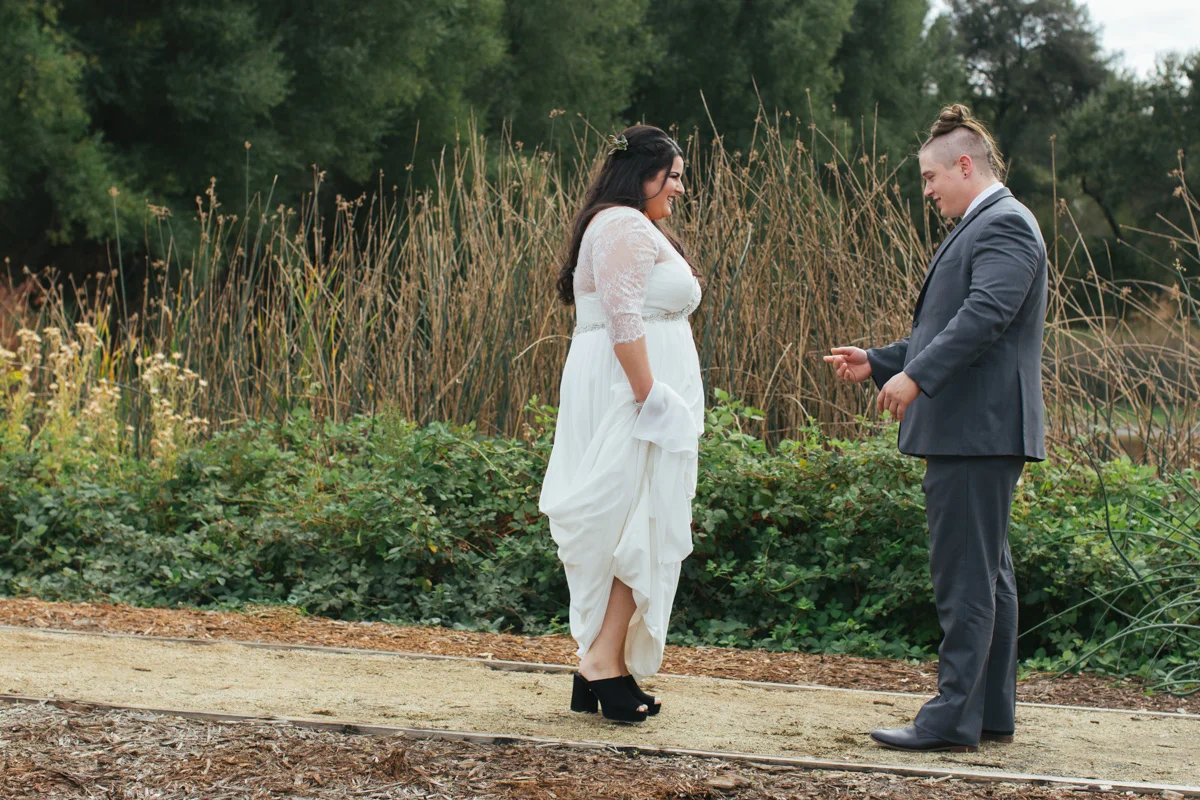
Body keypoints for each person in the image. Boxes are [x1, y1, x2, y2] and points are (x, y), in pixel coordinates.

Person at [825, 104, 1047, 752]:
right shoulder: (988, 223)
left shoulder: (1005, 224)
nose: (927, 192)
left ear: (964, 165)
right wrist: (881, 362)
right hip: (976, 428)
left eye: (930, 178)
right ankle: (989, 712)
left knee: (965, 579)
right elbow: (948, 326)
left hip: (975, 430)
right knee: (988, 575)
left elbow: (984, 317)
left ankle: (950, 719)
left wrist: (916, 377)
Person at [539, 124, 703, 723]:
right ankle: (600, 663)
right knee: (639, 520)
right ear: (644, 174)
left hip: (633, 391)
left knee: (637, 522)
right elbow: (623, 317)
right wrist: (649, 396)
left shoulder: (626, 225)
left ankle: (603, 660)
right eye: (674, 176)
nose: (680, 188)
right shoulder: (623, 225)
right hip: (631, 395)